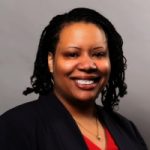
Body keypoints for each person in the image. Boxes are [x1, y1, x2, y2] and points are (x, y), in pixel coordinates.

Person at [0, 7, 147, 150]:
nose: (88, 65)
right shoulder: (15, 126)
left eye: (98, 54)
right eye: (72, 54)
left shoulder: (127, 129)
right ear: (51, 61)